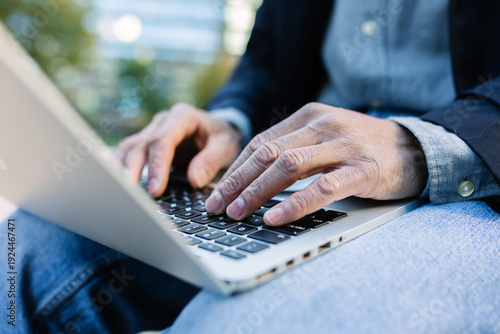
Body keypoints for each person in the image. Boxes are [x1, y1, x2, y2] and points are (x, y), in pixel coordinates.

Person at [2, 0, 500, 333]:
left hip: (474, 176)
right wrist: (228, 121)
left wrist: (420, 144)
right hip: (294, 161)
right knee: (35, 241)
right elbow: (264, 57)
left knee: (251, 320)